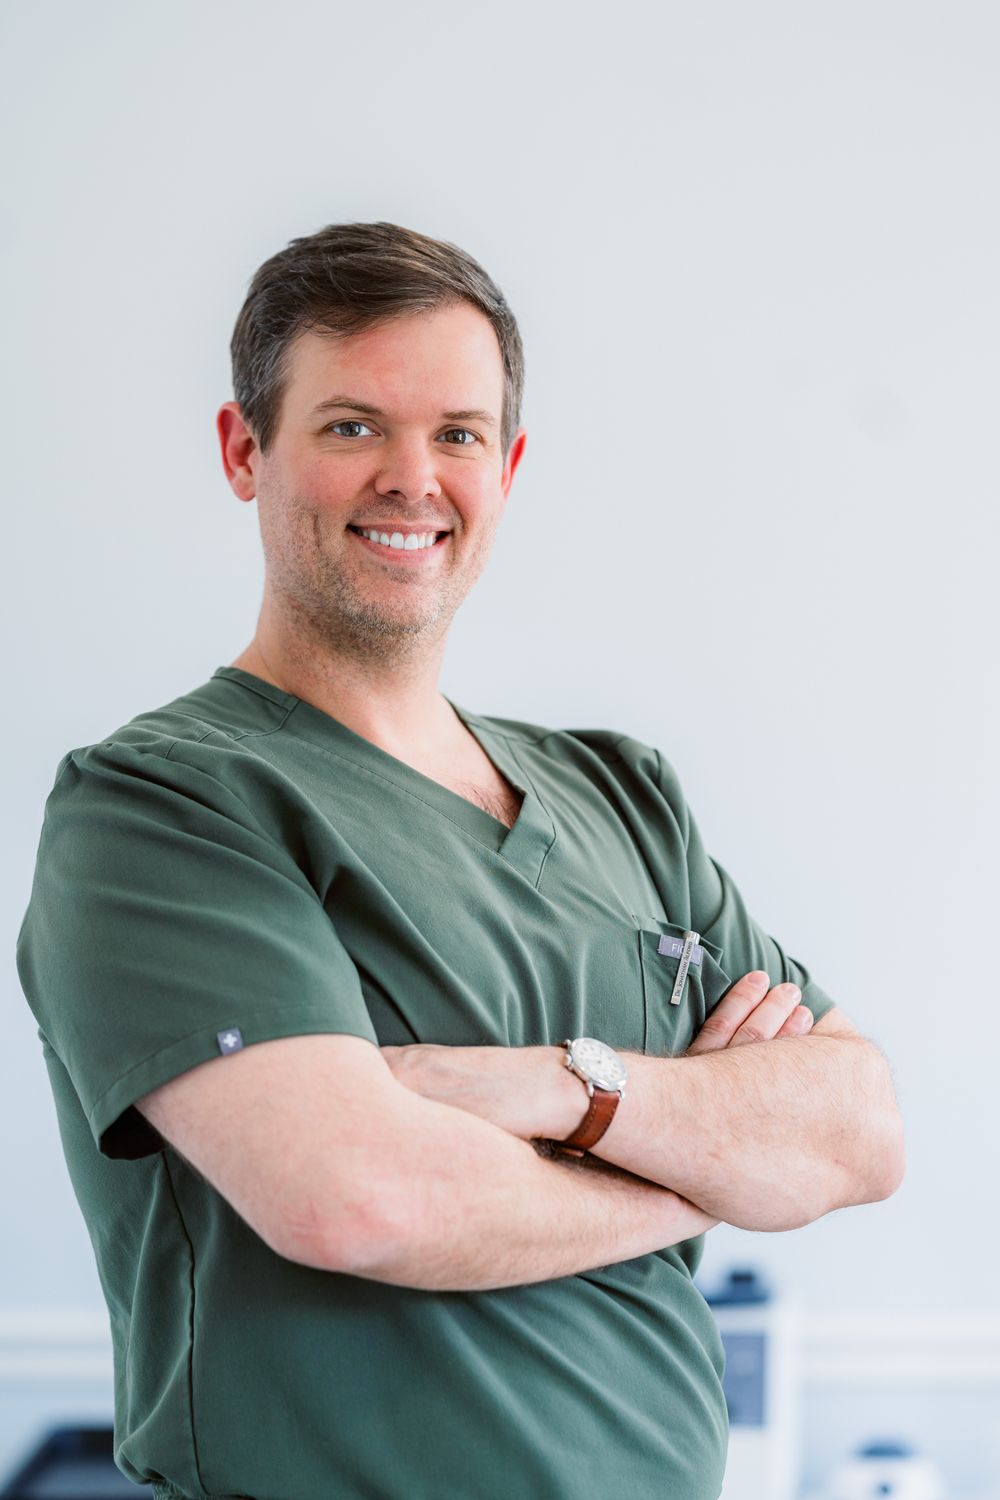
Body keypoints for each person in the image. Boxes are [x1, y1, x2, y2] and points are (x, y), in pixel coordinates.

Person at [15, 220, 905, 1500]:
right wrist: (697, 1180)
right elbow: (357, 1200)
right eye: (350, 426)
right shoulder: (164, 809)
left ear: (508, 465)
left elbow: (858, 1132)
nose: (410, 478)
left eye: (457, 433)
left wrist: (559, 1093)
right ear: (242, 450)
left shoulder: (623, 796)